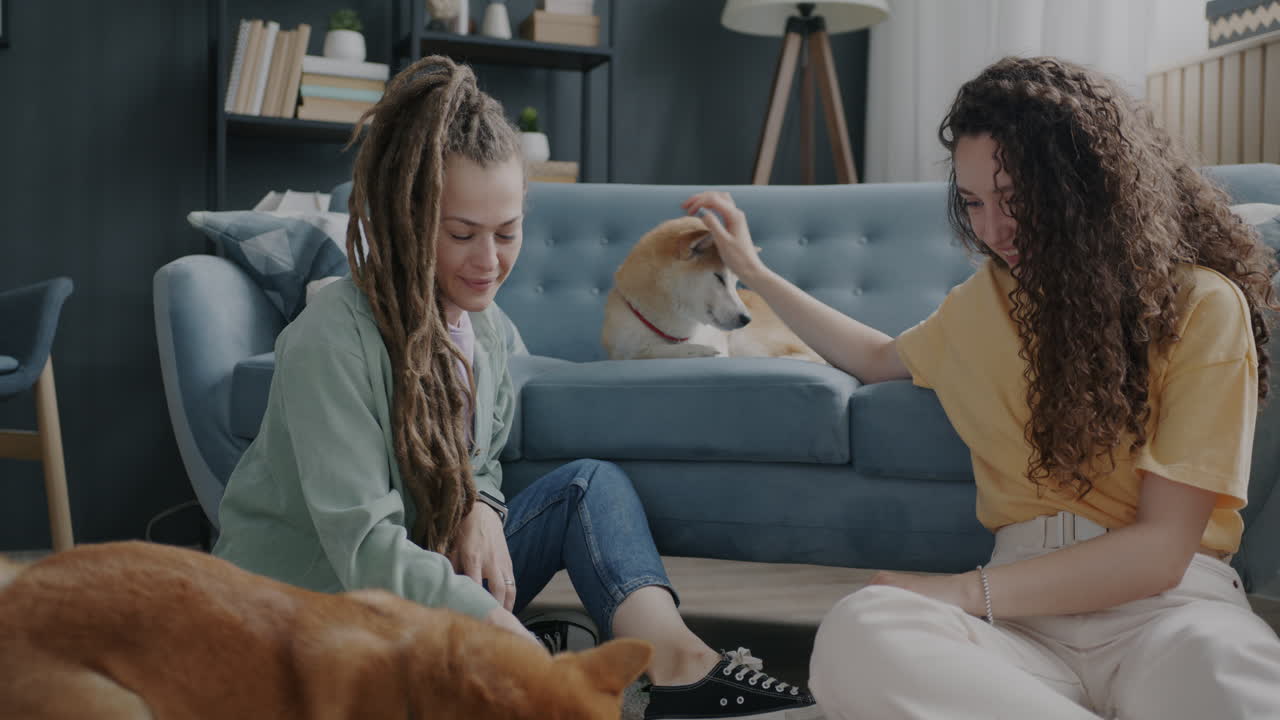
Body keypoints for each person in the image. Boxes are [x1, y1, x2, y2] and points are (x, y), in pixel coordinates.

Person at [211, 55, 819, 720]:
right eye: (462, 234)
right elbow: (365, 551)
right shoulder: (332, 340)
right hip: (318, 612)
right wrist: (512, 642)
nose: (489, 261)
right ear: (408, 218)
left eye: (507, 233)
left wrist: (480, 506)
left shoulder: (487, 329)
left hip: (424, 578)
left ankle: (679, 669)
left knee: (589, 485)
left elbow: (482, 458)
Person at [684, 56, 1280, 719]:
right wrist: (754, 272)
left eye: (1016, 201)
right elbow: (877, 356)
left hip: (1166, 614)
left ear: (1084, 187)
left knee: (1225, 672)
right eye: (973, 203)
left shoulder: (1202, 304)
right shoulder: (985, 304)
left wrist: (963, 593)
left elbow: (1162, 551)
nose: (993, 232)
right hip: (1020, 638)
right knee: (864, 629)